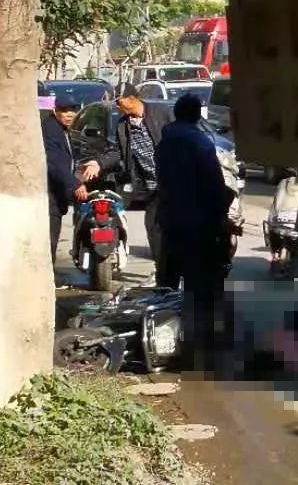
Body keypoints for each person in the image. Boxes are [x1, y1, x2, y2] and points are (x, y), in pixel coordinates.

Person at [154, 92, 231, 366]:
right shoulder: (200, 142)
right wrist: (221, 214)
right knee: (199, 286)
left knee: (167, 283)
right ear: (198, 115)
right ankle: (196, 348)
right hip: (197, 223)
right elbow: (214, 183)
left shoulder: (164, 142)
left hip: (169, 219)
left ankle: (162, 340)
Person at [96, 94, 161, 264]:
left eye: (119, 102)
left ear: (132, 99)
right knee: (153, 227)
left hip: (172, 182)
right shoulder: (123, 125)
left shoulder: (159, 114)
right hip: (151, 186)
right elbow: (117, 152)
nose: (117, 106)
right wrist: (99, 163)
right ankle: (162, 272)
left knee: (172, 228)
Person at [41, 96, 99, 268]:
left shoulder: (63, 129)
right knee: (48, 242)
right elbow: (54, 163)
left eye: (73, 110)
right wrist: (75, 184)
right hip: (49, 195)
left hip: (57, 195)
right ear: (55, 111)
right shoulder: (50, 129)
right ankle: (46, 277)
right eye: (65, 111)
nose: (70, 115)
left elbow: (71, 157)